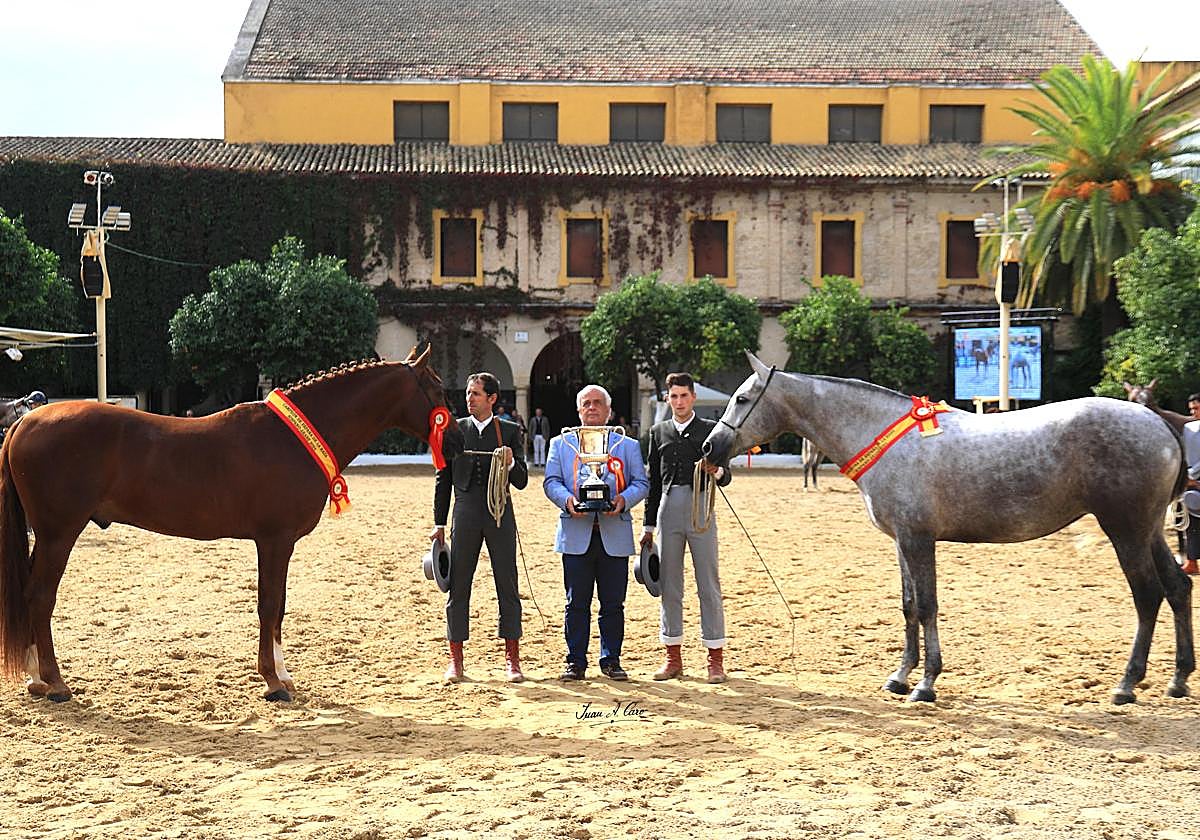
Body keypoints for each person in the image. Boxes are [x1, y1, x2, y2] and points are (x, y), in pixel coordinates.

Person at [543, 385, 649, 680]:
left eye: (598, 403)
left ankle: (611, 660)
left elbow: (641, 482)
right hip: (575, 533)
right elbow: (551, 481)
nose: (592, 408)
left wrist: (623, 500)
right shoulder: (561, 444)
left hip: (614, 534)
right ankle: (575, 661)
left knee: (613, 603)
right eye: (586, 404)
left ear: (609, 410)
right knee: (576, 602)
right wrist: (567, 500)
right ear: (578, 411)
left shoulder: (626, 445)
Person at [432, 372, 529, 682]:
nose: (469, 398)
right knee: (458, 585)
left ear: (492, 399)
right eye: (468, 393)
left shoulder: (510, 431)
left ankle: (512, 659)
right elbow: (443, 478)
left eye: (475, 394)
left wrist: (512, 462)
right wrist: (438, 523)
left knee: (507, 582)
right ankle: (456, 660)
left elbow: (522, 481)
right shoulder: (454, 430)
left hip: (499, 512)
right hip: (465, 512)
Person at [641, 373, 733, 683]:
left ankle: (715, 658)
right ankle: (673, 656)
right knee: (670, 585)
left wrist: (716, 470)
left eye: (684, 396)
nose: (679, 402)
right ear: (668, 399)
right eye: (674, 396)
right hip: (668, 510)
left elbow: (727, 475)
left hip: (701, 510)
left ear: (693, 397)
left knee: (708, 582)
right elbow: (654, 483)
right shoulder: (658, 433)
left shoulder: (710, 431)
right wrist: (648, 526)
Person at [1180, 393, 1200, 575]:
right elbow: (1185, 456)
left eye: (1197, 408)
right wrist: (1187, 478)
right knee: (1190, 523)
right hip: (1192, 482)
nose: (1194, 413)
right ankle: (1192, 562)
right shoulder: (1189, 428)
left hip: (1195, 479)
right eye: (1191, 409)